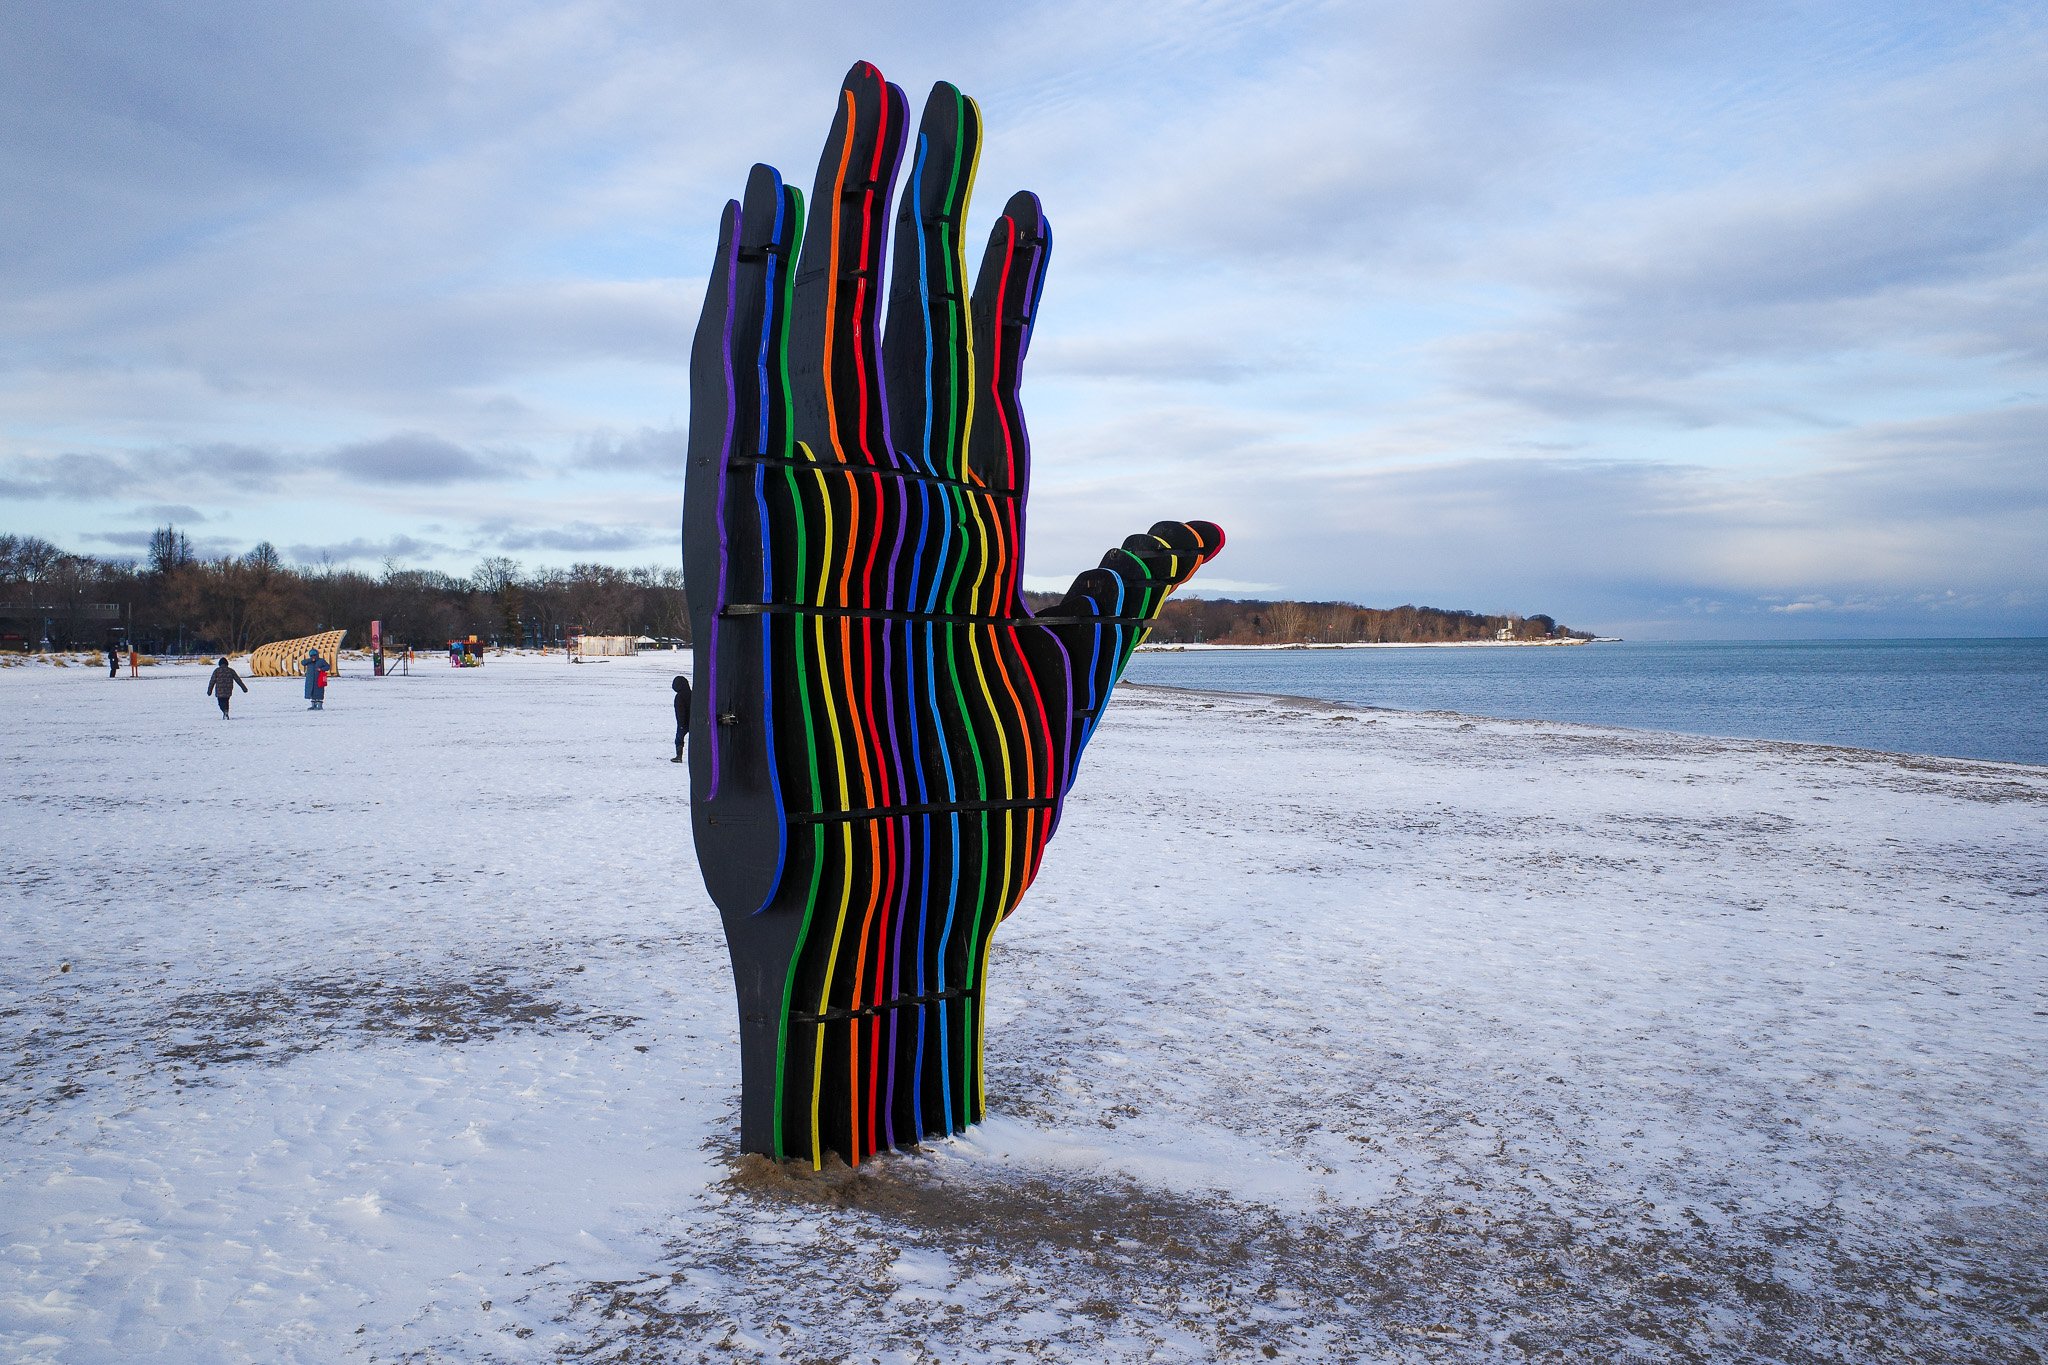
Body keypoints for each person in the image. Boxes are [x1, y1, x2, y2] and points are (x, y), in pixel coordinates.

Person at [671, 674, 692, 763]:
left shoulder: (679, 697)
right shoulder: (692, 694)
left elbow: (680, 712)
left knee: (679, 739)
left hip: (684, 722)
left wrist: (681, 724)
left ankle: (679, 756)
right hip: (694, 721)